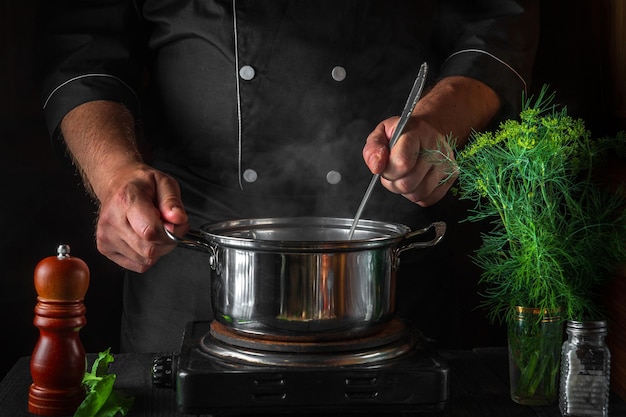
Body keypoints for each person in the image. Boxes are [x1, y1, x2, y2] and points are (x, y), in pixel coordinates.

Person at [36, 0, 540, 353]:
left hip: (389, 274)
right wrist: (116, 174)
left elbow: (496, 19)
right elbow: (83, 47)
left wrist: (440, 119)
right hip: (192, 260)